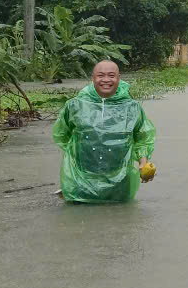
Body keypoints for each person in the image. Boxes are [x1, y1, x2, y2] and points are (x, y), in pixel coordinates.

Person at [52, 61, 155, 203]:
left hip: (120, 183)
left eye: (111, 76)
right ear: (93, 78)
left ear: (119, 78)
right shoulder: (76, 105)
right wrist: (75, 154)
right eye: (100, 75)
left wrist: (143, 163)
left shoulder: (132, 108)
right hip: (80, 181)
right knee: (76, 221)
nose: (106, 80)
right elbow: (62, 134)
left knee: (120, 221)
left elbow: (143, 137)